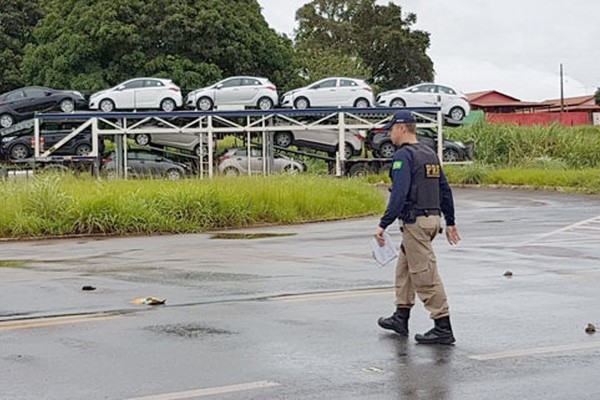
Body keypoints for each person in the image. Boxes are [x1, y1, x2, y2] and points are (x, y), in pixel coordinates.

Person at [374, 110, 460, 345]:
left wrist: (383, 224)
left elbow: (399, 194)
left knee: (425, 275)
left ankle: (442, 326)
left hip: (415, 223)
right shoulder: (428, 153)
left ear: (402, 128)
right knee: (405, 269)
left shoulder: (403, 156)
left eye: (391, 129)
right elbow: (445, 189)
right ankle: (400, 317)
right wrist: (450, 221)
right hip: (431, 220)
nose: (390, 134)